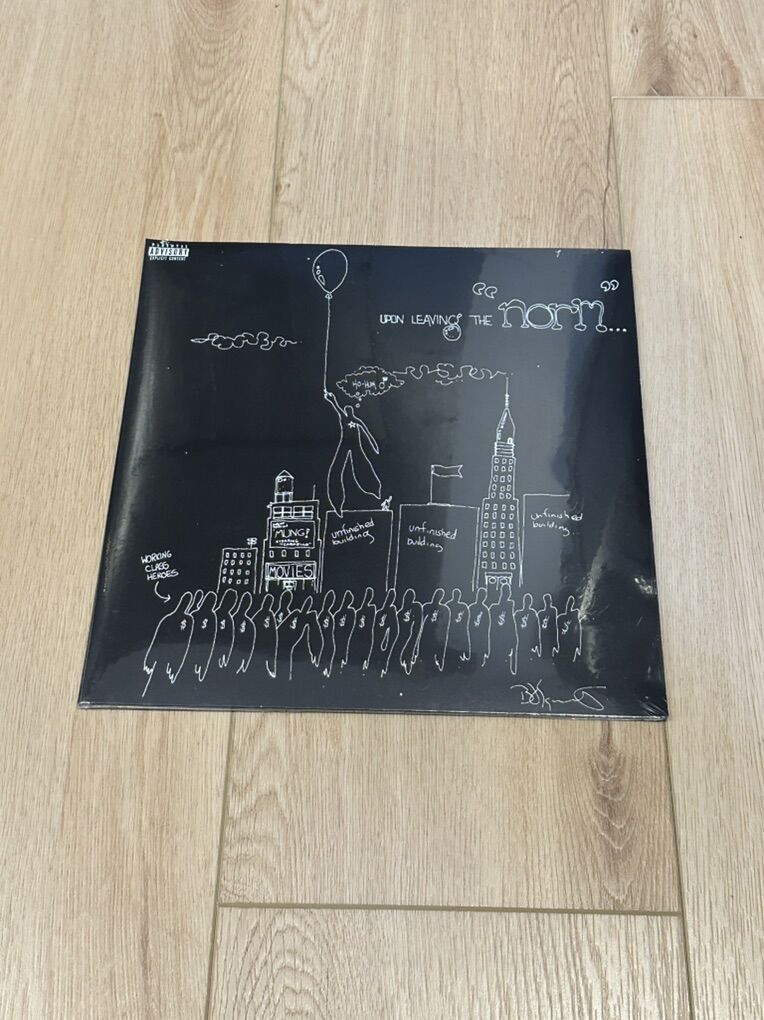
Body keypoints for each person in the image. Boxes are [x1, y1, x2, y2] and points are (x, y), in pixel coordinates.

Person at [325, 391, 382, 514]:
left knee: (361, 466)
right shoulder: (350, 419)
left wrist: (374, 445)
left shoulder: (352, 420)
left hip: (353, 446)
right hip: (346, 445)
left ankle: (374, 490)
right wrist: (331, 398)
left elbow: (368, 434)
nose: (348, 411)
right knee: (339, 468)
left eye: (348, 410)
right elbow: (337, 407)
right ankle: (337, 503)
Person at [142, 590, 195, 696]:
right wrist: (175, 667)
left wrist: (149, 660)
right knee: (162, 687)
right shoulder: (188, 620)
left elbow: (157, 640)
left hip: (162, 658)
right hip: (171, 659)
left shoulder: (168, 618)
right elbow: (184, 646)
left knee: (155, 686)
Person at [187, 590, 219, 683]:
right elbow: (213, 633)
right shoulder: (212, 616)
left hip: (193, 644)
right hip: (205, 646)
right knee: (201, 666)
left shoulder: (195, 613)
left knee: (190, 664)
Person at [418, 588, 451, 672]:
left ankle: (430, 668)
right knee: (427, 651)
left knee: (433, 652)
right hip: (427, 633)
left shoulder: (442, 609)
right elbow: (423, 620)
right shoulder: (428, 607)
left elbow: (443, 624)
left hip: (434, 634)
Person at [488, 584, 517, 674]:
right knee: (502, 654)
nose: (509, 594)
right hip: (501, 634)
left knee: (503, 654)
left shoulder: (497, 606)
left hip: (502, 633)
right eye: (508, 592)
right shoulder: (509, 604)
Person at [370, 588, 399, 676]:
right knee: (377, 652)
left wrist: (387, 641)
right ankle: (376, 668)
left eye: (392, 598)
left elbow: (394, 629)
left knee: (382, 655)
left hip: (385, 640)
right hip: (380, 640)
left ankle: (380, 668)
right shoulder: (380, 612)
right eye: (390, 598)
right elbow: (375, 629)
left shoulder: (390, 611)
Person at [395, 588, 423, 676]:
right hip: (403, 637)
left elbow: (418, 624)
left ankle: (407, 668)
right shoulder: (400, 612)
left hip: (411, 636)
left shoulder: (416, 607)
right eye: (407, 598)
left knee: (409, 653)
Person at [347, 586, 376, 670]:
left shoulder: (370, 609)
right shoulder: (360, 611)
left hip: (365, 637)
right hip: (360, 637)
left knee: (362, 658)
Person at [230, 591, 256, 675]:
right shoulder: (231, 619)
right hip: (235, 655)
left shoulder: (232, 618)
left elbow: (250, 642)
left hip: (238, 655)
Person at [444, 587, 471, 670]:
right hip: (451, 630)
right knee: (451, 647)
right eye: (456, 595)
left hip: (459, 631)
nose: (457, 597)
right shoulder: (449, 605)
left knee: (458, 648)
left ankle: (457, 663)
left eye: (457, 595)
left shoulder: (463, 606)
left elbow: (466, 619)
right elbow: (445, 618)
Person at [253, 592, 278, 678]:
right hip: (260, 642)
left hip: (268, 643)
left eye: (269, 603)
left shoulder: (270, 615)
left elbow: (273, 630)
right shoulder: (260, 614)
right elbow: (254, 626)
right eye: (266, 602)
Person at [514, 593, 541, 668]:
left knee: (525, 660)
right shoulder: (520, 614)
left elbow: (536, 629)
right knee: (523, 660)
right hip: (521, 640)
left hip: (526, 641)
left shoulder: (519, 614)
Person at [214, 588, 238, 669]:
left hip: (223, 651)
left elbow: (230, 637)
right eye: (231, 602)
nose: (232, 605)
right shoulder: (215, 615)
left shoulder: (229, 618)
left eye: (233, 602)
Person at [468, 587, 491, 667]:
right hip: (474, 635)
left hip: (478, 636)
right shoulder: (474, 608)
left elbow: (487, 626)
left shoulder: (483, 609)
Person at [333, 590, 356, 669]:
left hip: (344, 635)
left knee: (343, 648)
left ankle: (341, 663)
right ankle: (339, 663)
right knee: (340, 648)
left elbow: (351, 624)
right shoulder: (339, 613)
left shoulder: (349, 612)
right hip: (341, 635)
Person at [317, 590, 338, 677]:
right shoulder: (326, 616)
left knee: (325, 666)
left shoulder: (326, 616)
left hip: (328, 644)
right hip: (326, 644)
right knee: (323, 667)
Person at [557, 595, 582, 661]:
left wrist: (578, 646)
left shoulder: (573, 617)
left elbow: (578, 632)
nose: (569, 605)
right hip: (565, 643)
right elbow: (558, 633)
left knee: (570, 659)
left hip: (570, 642)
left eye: (570, 604)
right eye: (569, 603)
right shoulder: (561, 618)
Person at [537, 593, 559, 658]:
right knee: (545, 652)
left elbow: (554, 624)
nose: (549, 602)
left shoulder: (552, 610)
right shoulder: (543, 612)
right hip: (546, 635)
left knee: (550, 652)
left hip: (550, 634)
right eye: (548, 600)